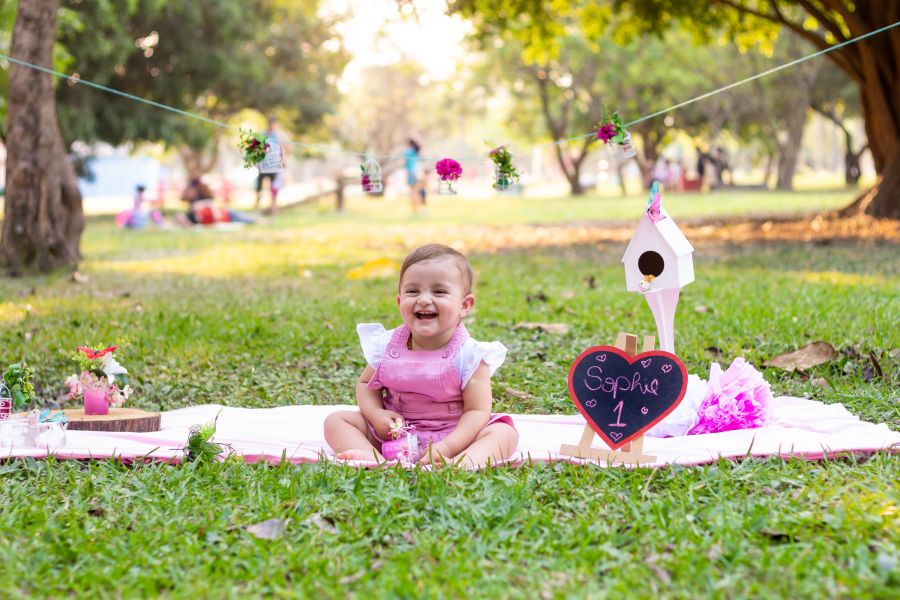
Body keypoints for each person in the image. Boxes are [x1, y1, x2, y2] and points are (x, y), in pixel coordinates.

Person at [324, 244, 519, 467]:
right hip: (395, 435)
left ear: (464, 305)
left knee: (503, 433)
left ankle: (462, 463)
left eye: (439, 291)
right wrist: (377, 415)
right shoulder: (388, 345)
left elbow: (477, 411)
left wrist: (448, 446)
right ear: (400, 302)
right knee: (336, 421)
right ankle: (372, 457)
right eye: (413, 291)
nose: (424, 299)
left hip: (453, 435)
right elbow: (366, 383)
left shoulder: (469, 355)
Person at [181, 178, 255, 225]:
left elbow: (211, 204)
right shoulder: (194, 202)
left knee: (244, 218)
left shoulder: (203, 197)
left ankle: (256, 219)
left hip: (225, 213)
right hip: (225, 215)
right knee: (243, 218)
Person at [255, 117, 284, 215]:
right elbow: (256, 148)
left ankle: (274, 213)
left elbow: (282, 149)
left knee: (274, 191)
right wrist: (257, 162)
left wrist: (282, 161)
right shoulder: (263, 134)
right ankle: (257, 211)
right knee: (259, 190)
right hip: (263, 166)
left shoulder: (278, 136)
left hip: (274, 167)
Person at [404, 138, 424, 212]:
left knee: (413, 192)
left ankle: (415, 209)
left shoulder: (408, 151)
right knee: (416, 191)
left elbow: (405, 162)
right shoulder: (417, 151)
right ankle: (417, 208)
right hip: (418, 172)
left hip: (411, 172)